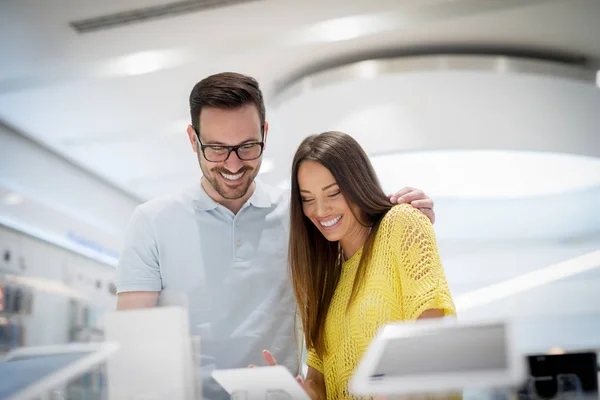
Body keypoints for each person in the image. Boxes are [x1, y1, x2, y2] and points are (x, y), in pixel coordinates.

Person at [115, 72, 438, 400]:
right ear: (192, 139)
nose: (233, 163)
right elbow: (133, 349)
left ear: (265, 135)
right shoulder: (151, 222)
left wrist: (402, 218)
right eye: (216, 149)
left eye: (247, 147)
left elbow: (364, 262)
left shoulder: (301, 215)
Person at [275, 131, 456, 399]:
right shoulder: (324, 278)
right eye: (308, 199)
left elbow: (431, 334)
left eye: (333, 193)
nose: (321, 210)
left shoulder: (403, 223)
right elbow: (318, 382)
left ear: (357, 183)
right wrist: (288, 393)